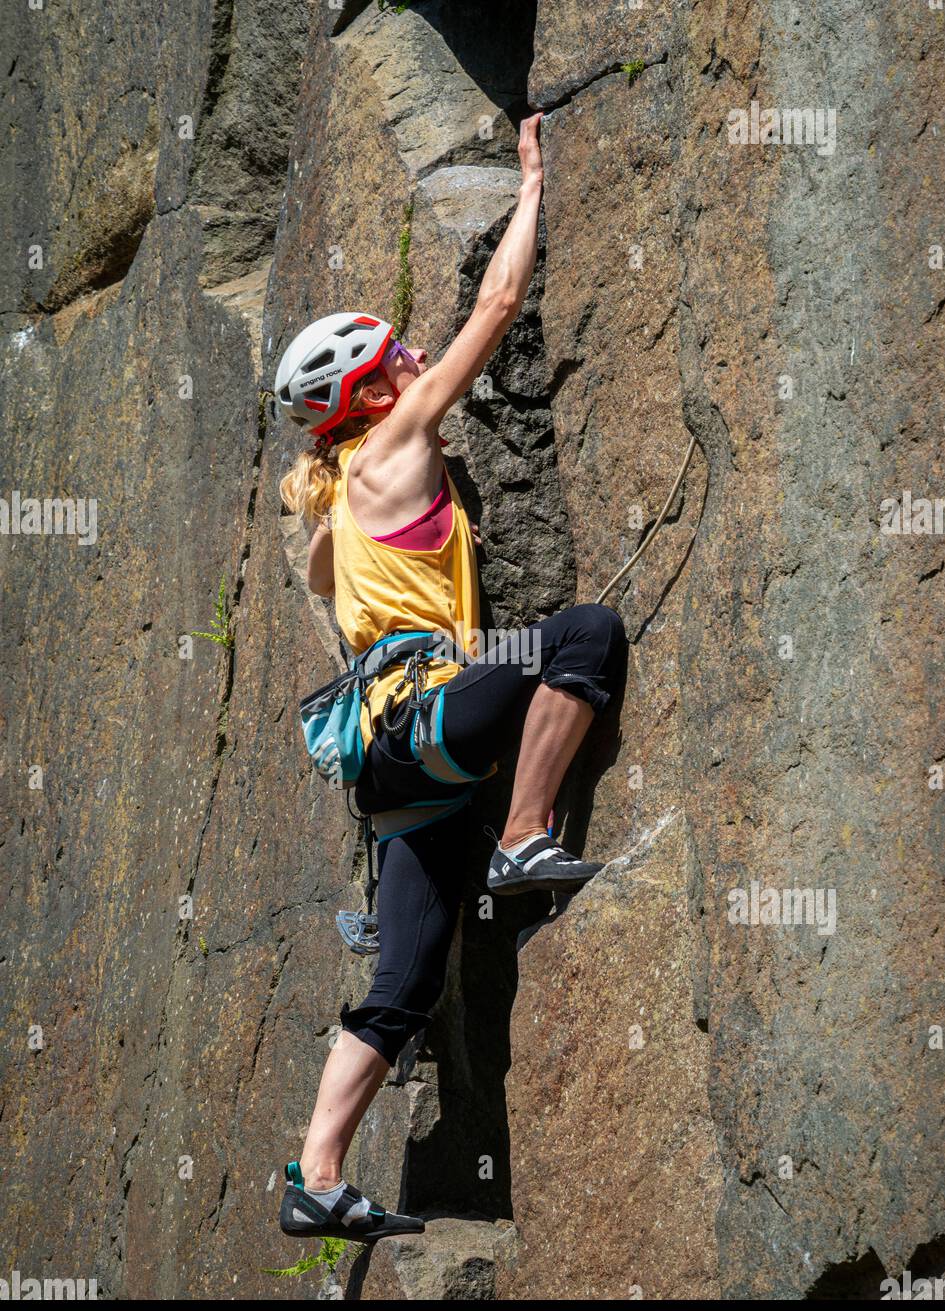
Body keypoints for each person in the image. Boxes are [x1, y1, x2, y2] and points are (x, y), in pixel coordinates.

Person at [273, 115, 627, 1245]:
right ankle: (526, 832)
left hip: (389, 769)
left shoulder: (331, 501)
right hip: (424, 713)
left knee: (407, 980)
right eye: (395, 359)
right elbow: (495, 310)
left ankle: (317, 1175)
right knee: (579, 634)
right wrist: (530, 187)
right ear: (373, 394)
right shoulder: (399, 441)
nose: (415, 360)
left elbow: (336, 558)